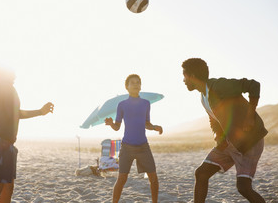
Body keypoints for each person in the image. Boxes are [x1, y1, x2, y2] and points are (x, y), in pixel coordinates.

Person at [181, 58, 268, 203]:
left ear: (193, 76)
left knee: (244, 188)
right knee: (201, 173)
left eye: (185, 76)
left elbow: (253, 85)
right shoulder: (204, 97)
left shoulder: (219, 86)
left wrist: (250, 116)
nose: (183, 80)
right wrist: (218, 136)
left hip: (250, 141)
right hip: (229, 142)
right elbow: (213, 120)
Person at [0, 59, 54, 203]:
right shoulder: (5, 88)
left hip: (5, 143)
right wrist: (40, 112)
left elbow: (14, 114)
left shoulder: (6, 88)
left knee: (7, 188)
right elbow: (16, 114)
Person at [105, 74, 163, 203]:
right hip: (127, 147)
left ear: (140, 86)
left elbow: (147, 123)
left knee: (153, 178)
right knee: (122, 178)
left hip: (143, 146)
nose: (136, 85)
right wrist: (110, 124)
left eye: (138, 82)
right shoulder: (122, 105)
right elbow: (117, 127)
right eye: (133, 83)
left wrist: (155, 127)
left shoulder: (146, 103)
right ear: (127, 87)